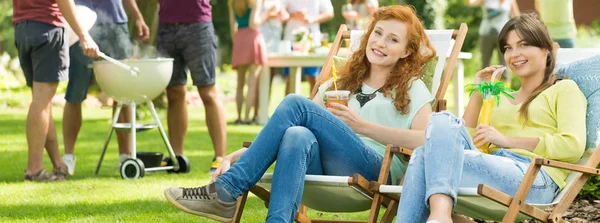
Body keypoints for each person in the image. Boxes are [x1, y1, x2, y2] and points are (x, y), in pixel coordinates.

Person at [164, 5, 436, 222]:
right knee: (296, 134)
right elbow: (292, 123)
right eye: (377, 33)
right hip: (325, 169)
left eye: (393, 39)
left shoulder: (412, 87)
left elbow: (428, 140)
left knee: (296, 103)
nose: (380, 42)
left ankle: (226, 191)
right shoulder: (341, 82)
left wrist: (364, 127)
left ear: (407, 51)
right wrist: (241, 154)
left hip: (377, 170)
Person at [396, 14, 586, 223]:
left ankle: (441, 215)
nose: (514, 54)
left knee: (424, 157)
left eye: (523, 45)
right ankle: (440, 215)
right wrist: (478, 92)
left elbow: (573, 145)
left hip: (534, 178)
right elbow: (457, 138)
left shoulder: (564, 89)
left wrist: (507, 141)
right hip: (492, 167)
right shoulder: (500, 97)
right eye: (508, 48)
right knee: (441, 122)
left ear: (545, 49)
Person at [13, 0, 99, 181]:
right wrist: (84, 36)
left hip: (22, 28)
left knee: (41, 101)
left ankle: (58, 163)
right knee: (42, 103)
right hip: (48, 28)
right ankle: (34, 169)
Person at [62, 0, 150, 176]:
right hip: (83, 23)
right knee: (75, 93)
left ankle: (126, 157)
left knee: (123, 94)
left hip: (117, 23)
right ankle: (68, 158)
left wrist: (138, 16)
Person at [157, 0, 228, 172]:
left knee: (208, 93)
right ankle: (177, 158)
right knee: (174, 93)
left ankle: (220, 158)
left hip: (198, 26)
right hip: (166, 27)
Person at [281, 0, 334, 95]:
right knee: (290, 78)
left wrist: (312, 19)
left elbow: (329, 12)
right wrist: (293, 15)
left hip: (312, 40)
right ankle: (289, 109)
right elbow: (280, 10)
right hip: (291, 39)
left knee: (313, 78)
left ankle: (313, 107)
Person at [229, 0, 268, 125]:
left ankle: (239, 117)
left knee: (240, 83)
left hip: (239, 39)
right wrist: (266, 14)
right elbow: (253, 23)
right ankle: (246, 118)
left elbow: (232, 28)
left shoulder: (232, 3)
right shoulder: (254, 2)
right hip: (253, 39)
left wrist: (238, 42)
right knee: (252, 83)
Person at [465, 0, 520, 86]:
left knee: (505, 63)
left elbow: (517, 18)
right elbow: (469, 3)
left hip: (504, 36)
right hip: (486, 35)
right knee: (485, 63)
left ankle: (505, 91)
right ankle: (484, 91)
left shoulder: (510, 1)